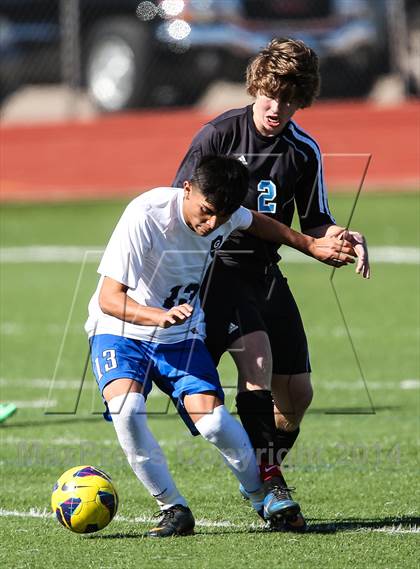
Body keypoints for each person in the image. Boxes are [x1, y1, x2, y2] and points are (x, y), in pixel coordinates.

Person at [86, 156, 356, 537]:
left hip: (180, 334)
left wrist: (309, 243)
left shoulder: (227, 213)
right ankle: (172, 508)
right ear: (187, 189)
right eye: (206, 212)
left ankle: (261, 496)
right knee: (127, 410)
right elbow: (109, 299)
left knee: (214, 423)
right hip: (121, 330)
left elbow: (257, 221)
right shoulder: (144, 214)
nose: (212, 224)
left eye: (221, 216)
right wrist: (155, 316)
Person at [173, 38, 370, 532]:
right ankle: (268, 481)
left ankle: (257, 471)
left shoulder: (303, 151)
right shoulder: (218, 135)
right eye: (269, 97)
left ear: (302, 100)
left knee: (297, 395)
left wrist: (339, 236)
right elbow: (181, 203)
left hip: (264, 273)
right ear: (254, 87)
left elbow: (318, 219)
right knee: (254, 365)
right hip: (214, 272)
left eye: (289, 100)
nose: (277, 108)